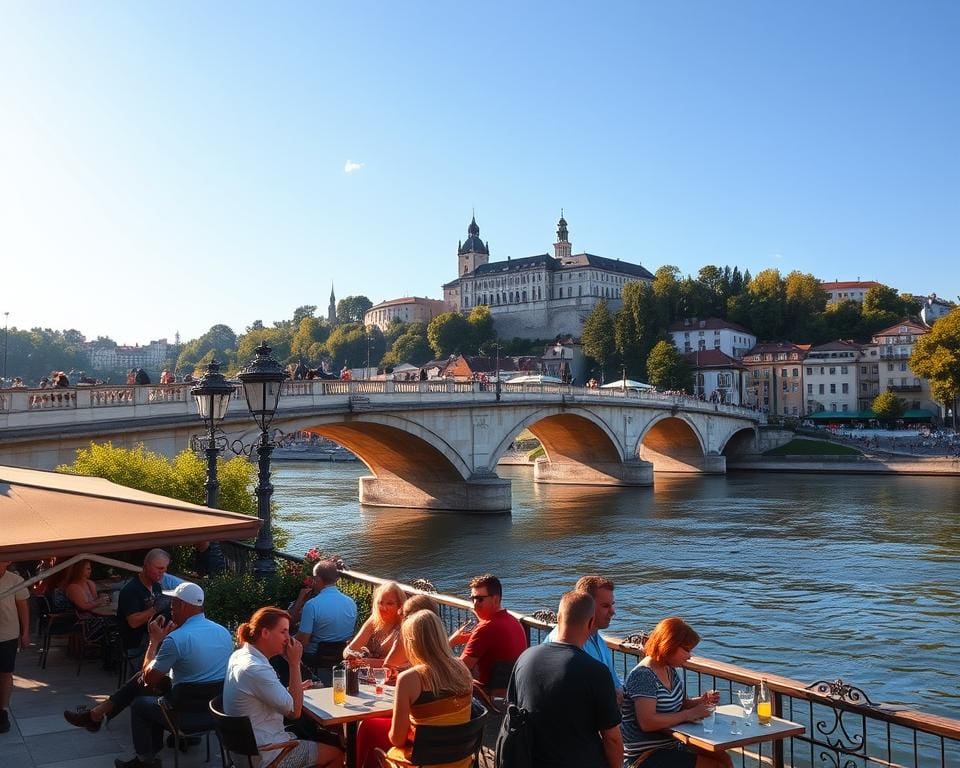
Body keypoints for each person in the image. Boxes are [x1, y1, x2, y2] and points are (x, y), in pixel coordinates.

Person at [112, 582, 234, 768]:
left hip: (182, 716)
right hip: (214, 711)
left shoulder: (177, 639)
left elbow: (148, 679)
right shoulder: (223, 632)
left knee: (141, 704)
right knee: (166, 692)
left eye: (173, 605)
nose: (171, 610)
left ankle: (145, 761)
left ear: (184, 605)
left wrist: (154, 641)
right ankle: (184, 741)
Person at [503, 591, 623, 768]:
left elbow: (514, 708)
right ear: (590, 622)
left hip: (530, 759)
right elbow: (612, 738)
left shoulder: (526, 658)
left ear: (558, 619)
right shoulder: (596, 671)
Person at [224, 606, 343, 768]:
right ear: (265, 633)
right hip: (268, 755)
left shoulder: (240, 655)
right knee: (336, 754)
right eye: (283, 632)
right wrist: (294, 664)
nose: (288, 638)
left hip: (244, 751)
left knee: (315, 737)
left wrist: (293, 689)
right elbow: (294, 712)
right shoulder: (256, 668)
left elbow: (261, 696)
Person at [356, 610, 474, 768]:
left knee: (369, 729)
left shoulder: (409, 679)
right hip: (460, 761)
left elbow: (397, 739)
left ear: (411, 642)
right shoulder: (462, 669)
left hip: (422, 763)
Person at [620, 617, 730, 768]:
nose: (689, 656)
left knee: (724, 759)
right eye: (686, 650)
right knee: (715, 766)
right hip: (645, 755)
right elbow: (647, 722)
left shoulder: (669, 669)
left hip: (670, 746)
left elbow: (679, 704)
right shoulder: (644, 675)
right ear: (669, 645)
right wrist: (689, 714)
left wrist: (701, 701)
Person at [545, 575, 623, 702]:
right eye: (605, 606)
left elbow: (614, 684)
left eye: (612, 604)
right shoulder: (565, 643)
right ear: (586, 606)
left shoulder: (598, 640)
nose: (613, 611)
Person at [447, 573, 527, 691]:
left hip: (486, 698)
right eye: (472, 599)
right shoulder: (514, 622)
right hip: (513, 693)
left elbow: (459, 670)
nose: (474, 605)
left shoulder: (486, 628)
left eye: (480, 599)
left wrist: (450, 642)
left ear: (495, 599)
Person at [293, 559, 357, 667]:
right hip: (342, 654)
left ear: (317, 579)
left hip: (315, 656)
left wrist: (284, 640)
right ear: (335, 579)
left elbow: (302, 641)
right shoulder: (351, 603)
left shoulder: (312, 605)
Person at [117, 549, 172, 658]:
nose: (162, 572)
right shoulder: (131, 590)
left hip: (154, 640)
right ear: (146, 567)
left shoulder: (156, 585)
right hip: (136, 645)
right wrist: (155, 609)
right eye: (159, 568)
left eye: (165, 568)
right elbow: (133, 622)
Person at [344, 581, 404, 667]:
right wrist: (351, 656)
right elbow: (350, 649)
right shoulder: (374, 620)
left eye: (390, 603)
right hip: (368, 673)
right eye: (380, 603)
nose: (384, 608)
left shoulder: (403, 627)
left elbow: (393, 664)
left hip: (391, 676)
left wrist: (362, 661)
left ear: (400, 606)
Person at [0, 561, 30, 734]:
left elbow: (23, 608)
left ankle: (3, 710)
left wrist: (25, 633)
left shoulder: (15, 580)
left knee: (6, 673)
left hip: (8, 635)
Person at [382, 593, 440, 674]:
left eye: (403, 615)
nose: (399, 613)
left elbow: (389, 665)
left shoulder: (409, 638)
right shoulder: (438, 636)